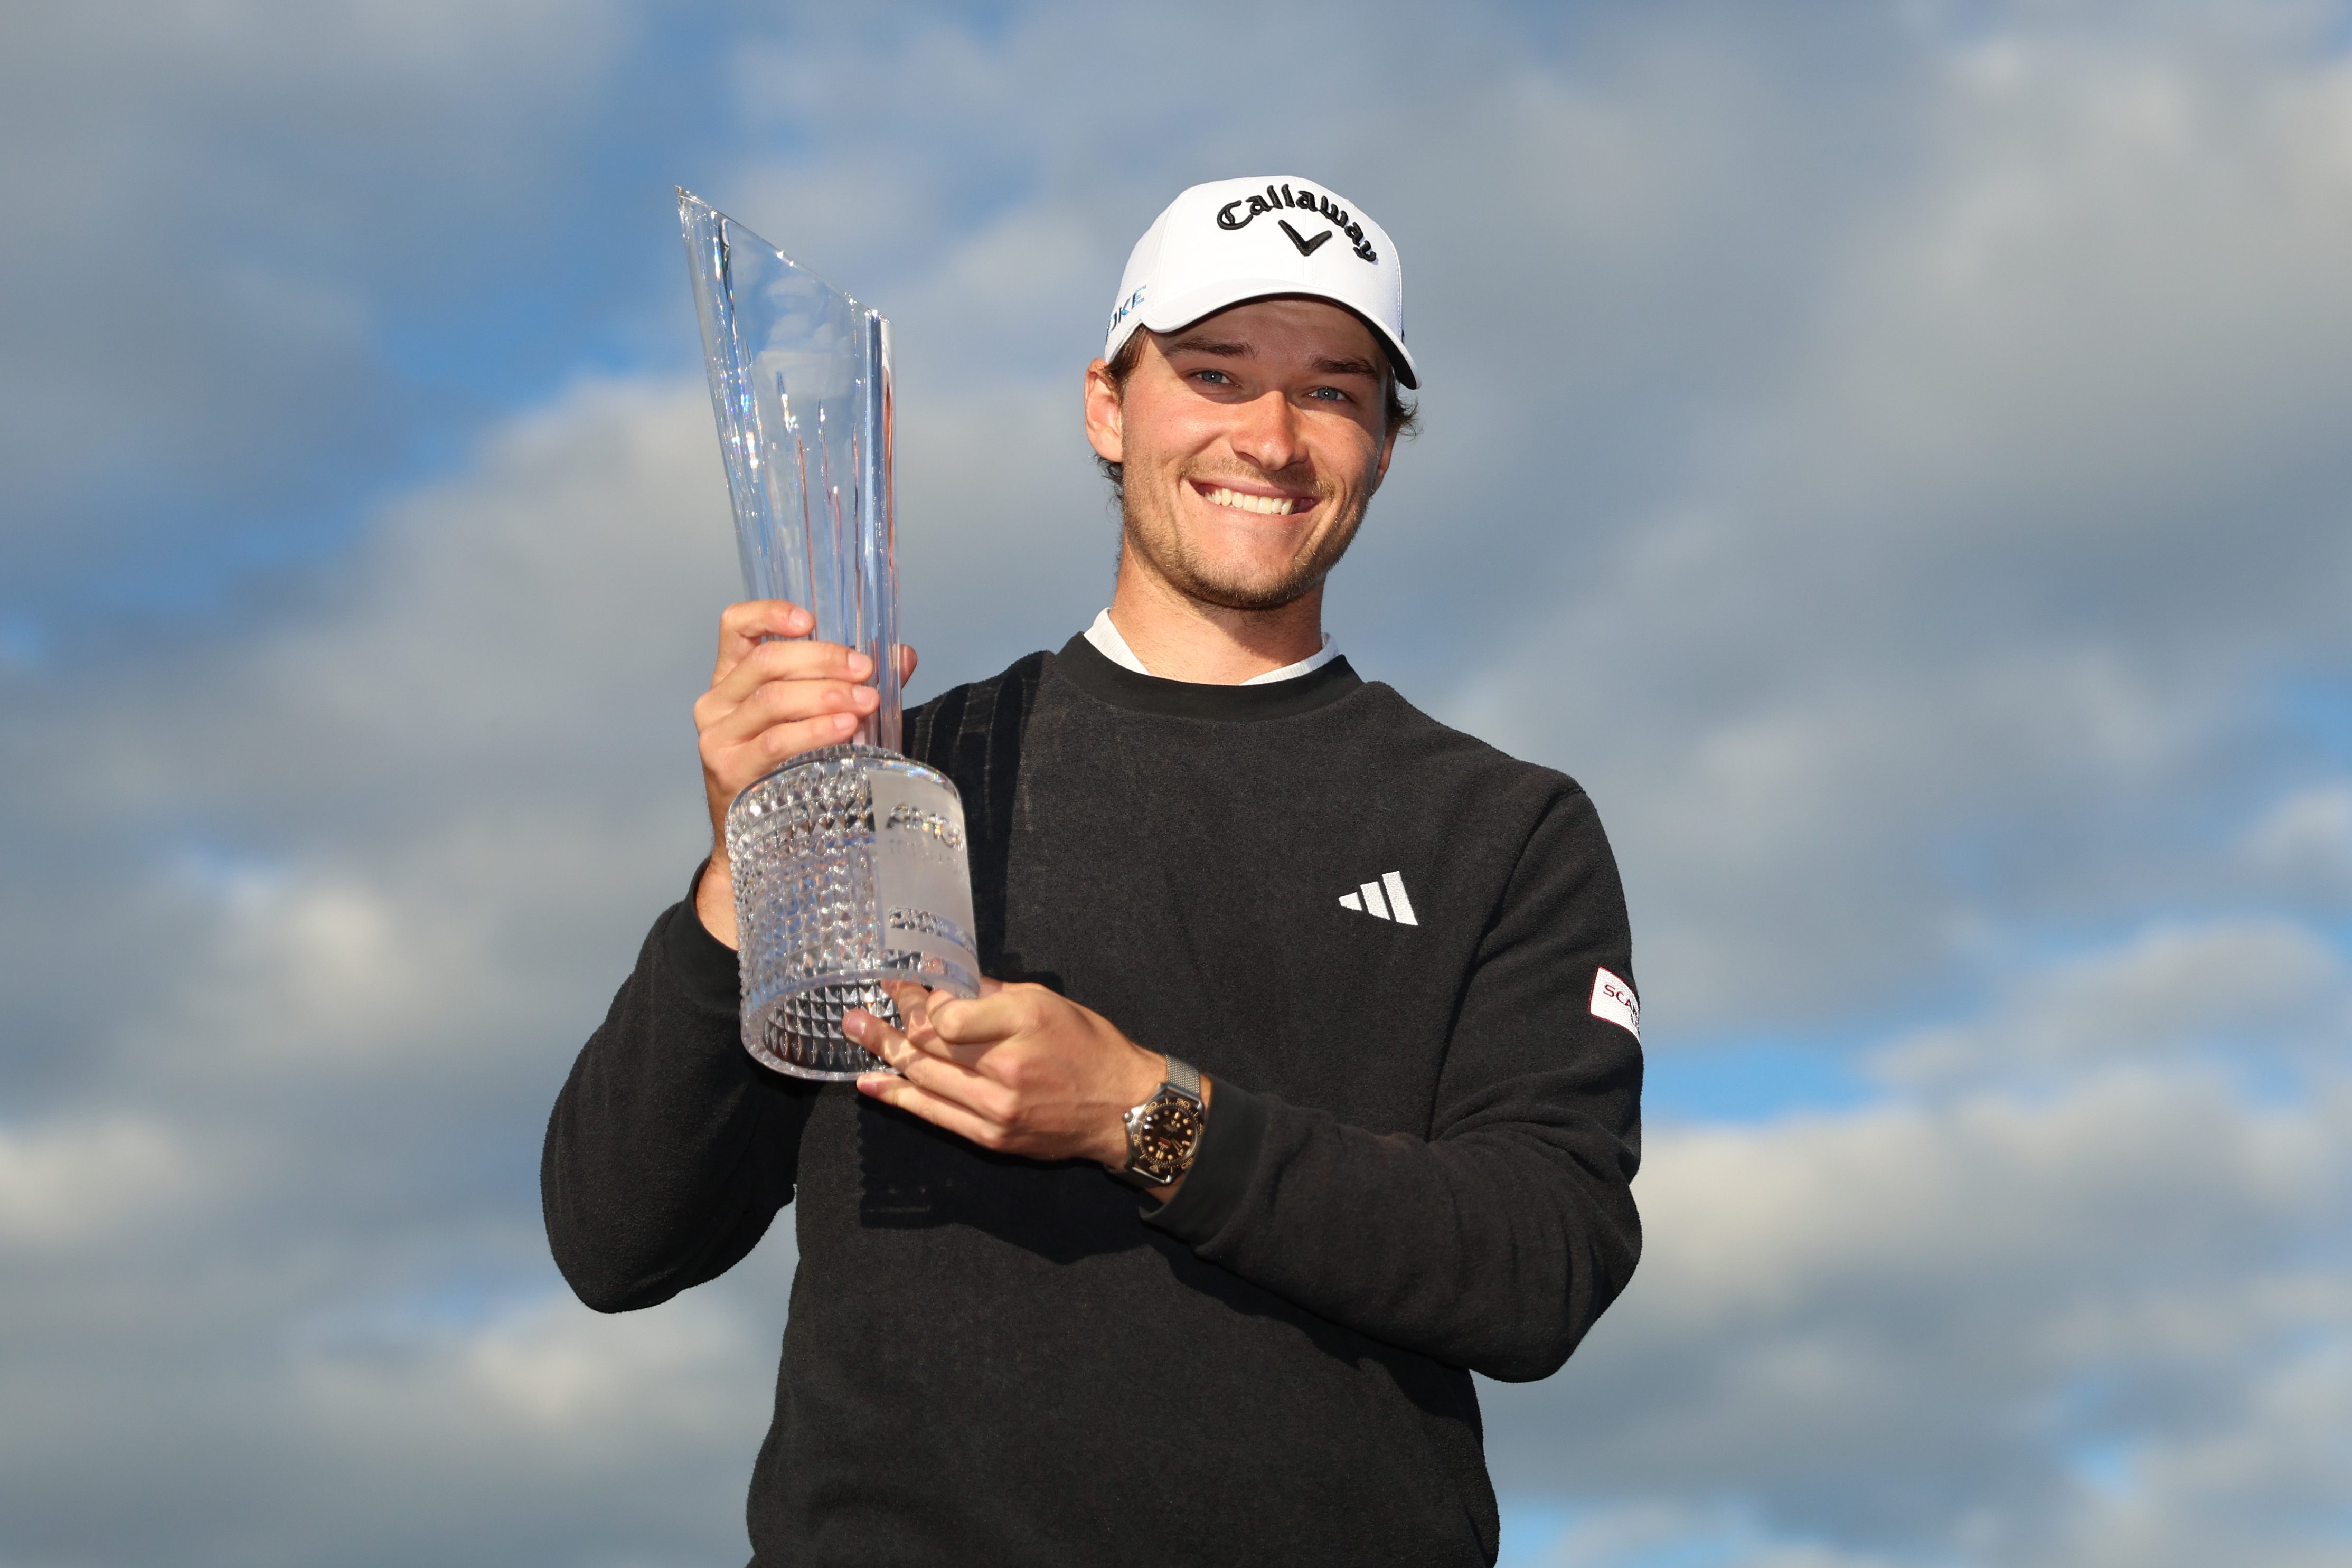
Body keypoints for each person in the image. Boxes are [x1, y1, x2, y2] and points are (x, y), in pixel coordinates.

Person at [542, 175, 1643, 1567]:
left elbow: (1539, 1263)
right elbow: (618, 1233)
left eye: (1334, 391)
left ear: (1382, 440)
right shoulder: (909, 779)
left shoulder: (1502, 828)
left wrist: (1139, 1112)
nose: (1272, 435)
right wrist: (739, 868)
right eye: (1215, 372)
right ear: (1108, 407)